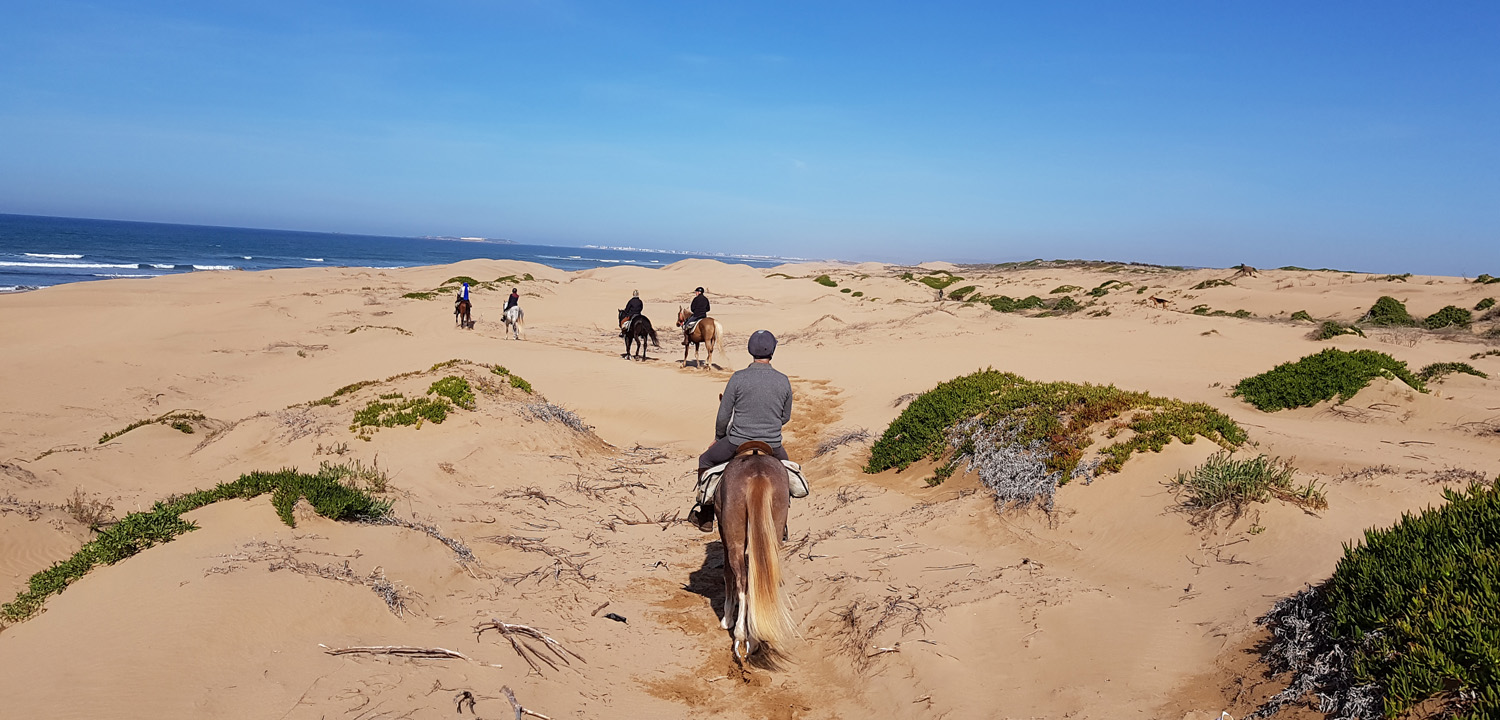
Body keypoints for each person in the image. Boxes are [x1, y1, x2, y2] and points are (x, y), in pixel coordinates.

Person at [686, 330, 793, 532]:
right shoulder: (783, 380)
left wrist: (719, 437)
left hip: (737, 441)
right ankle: (782, 522)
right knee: (786, 474)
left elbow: (723, 415)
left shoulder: (738, 378)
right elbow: (785, 417)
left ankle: (706, 515)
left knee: (705, 460)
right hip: (772, 444)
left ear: (750, 351)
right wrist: (768, 424)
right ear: (772, 352)